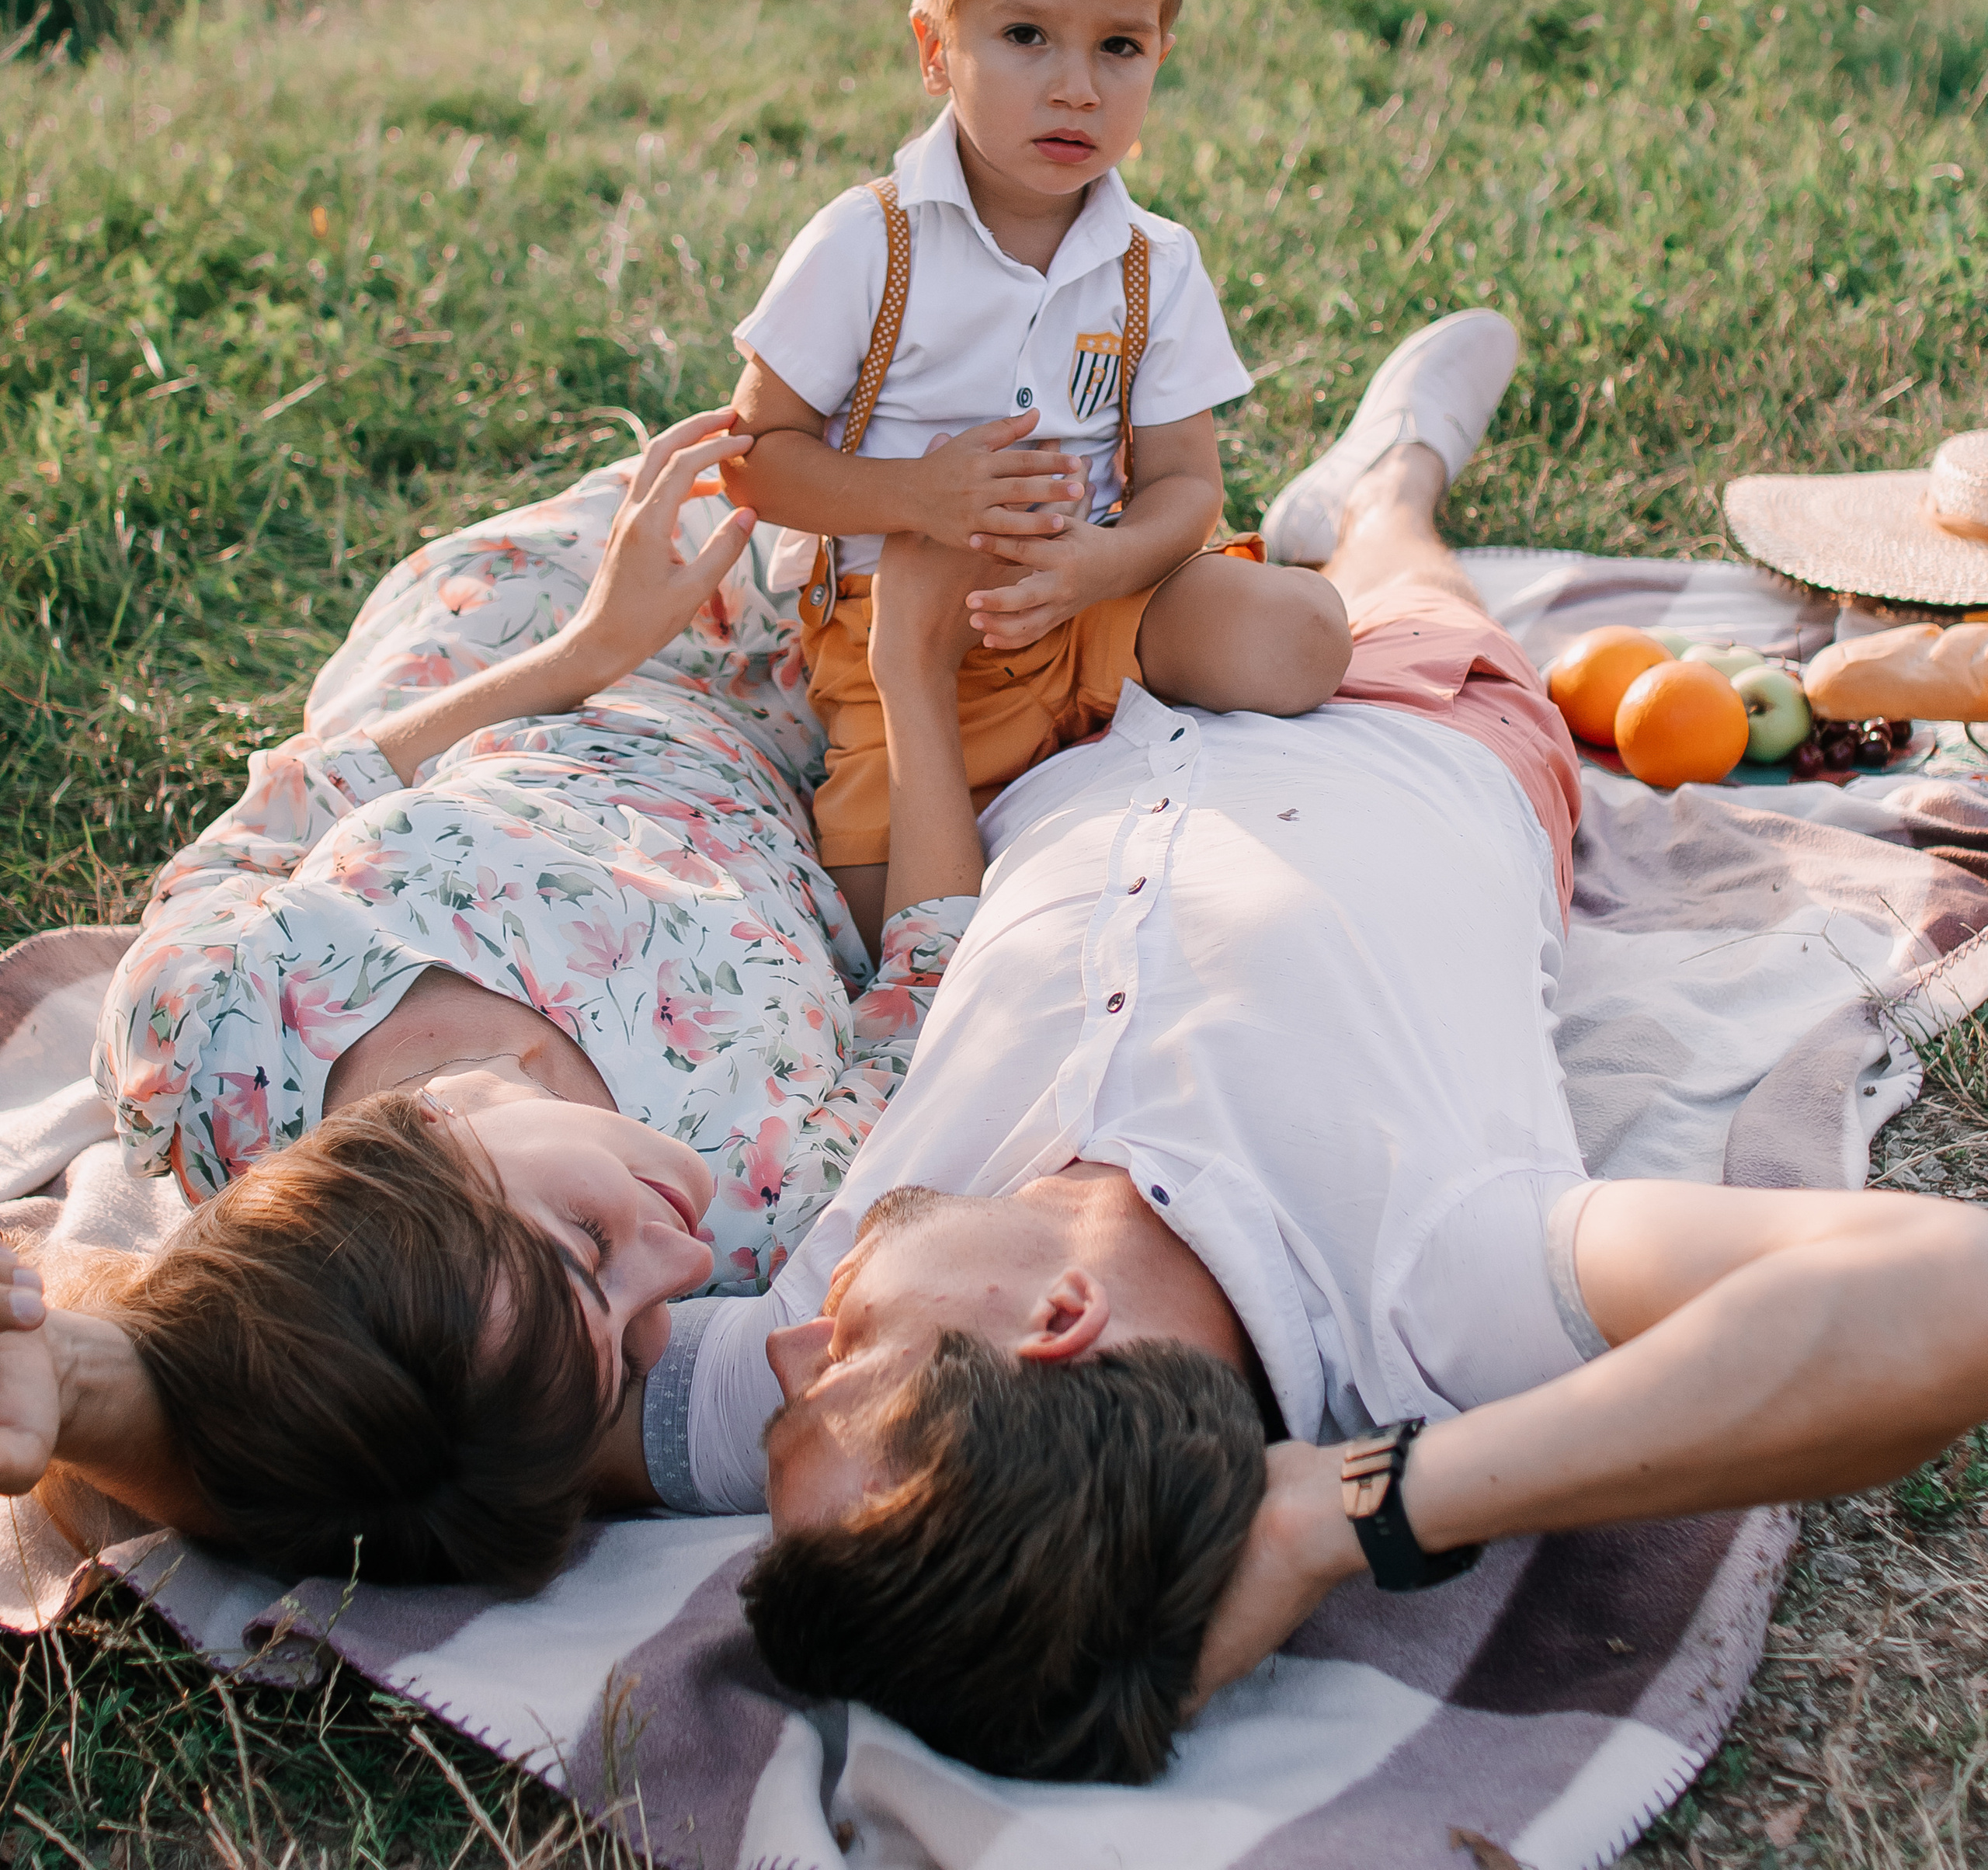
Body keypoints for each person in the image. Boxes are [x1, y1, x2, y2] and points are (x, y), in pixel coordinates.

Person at [624, 316, 1988, 1788]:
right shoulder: (1428, 1282)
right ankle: (1390, 489)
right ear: (1059, 1321)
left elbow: (452, 1398)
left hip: (1068, 720)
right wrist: (1337, 1515)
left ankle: (1319, 522)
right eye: (840, 1366)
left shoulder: (874, 1311)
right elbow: (1946, 1293)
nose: (774, 1339)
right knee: (1398, 567)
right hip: (1413, 727)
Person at [17, 411, 972, 1580]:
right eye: (634, 1350)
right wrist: (910, 679)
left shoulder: (211, 1045)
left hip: (518, 654)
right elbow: (928, 972)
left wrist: (589, 646)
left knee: (796, 422)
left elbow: (299, 803)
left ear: (423, 1136)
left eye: (586, 1246)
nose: (670, 1269)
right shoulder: (760, 1198)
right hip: (806, 717)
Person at [723, 0, 1347, 946]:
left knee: (1303, 634)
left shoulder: (1154, 262)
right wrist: (914, 498)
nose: (1076, 87)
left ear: (1162, 52)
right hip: (906, 635)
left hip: (1096, 598)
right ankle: (965, 761)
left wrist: (1098, 562)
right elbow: (758, 461)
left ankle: (1094, 734)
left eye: (1121, 46)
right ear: (934, 48)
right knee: (879, 921)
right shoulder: (868, 244)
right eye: (1025, 35)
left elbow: (1183, 487)